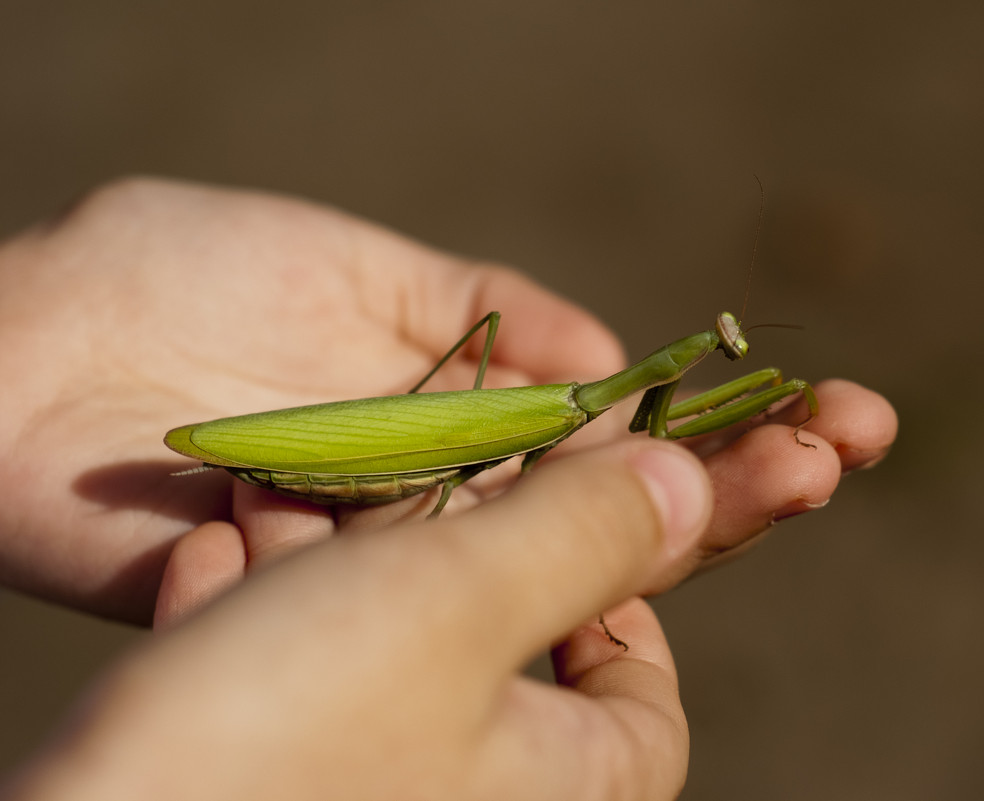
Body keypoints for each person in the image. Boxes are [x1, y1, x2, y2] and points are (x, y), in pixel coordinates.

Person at [0, 178, 897, 800]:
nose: (725, 349)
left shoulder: (595, 408)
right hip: (434, 438)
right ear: (698, 352)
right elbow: (653, 433)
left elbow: (651, 424)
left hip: (474, 429)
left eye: (727, 346)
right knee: (459, 488)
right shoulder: (586, 414)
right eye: (723, 344)